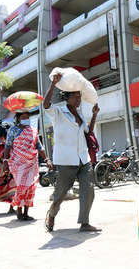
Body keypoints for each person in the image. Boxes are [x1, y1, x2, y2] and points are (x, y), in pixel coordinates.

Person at [43, 74, 101, 232]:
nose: (78, 99)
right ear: (67, 98)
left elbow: (87, 131)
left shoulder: (80, 114)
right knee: (60, 193)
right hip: (65, 160)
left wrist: (94, 114)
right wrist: (53, 84)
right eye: (75, 96)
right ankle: (52, 215)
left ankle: (84, 222)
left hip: (83, 158)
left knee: (88, 190)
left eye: (79, 96)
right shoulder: (58, 112)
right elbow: (46, 105)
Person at [3, 112, 51, 221]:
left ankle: (26, 213)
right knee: (21, 187)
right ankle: (19, 211)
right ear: (18, 118)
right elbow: (8, 146)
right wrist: (5, 162)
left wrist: (47, 159)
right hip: (18, 163)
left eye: (28, 117)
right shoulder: (13, 130)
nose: (26, 119)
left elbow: (39, 146)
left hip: (31, 164)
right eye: (24, 117)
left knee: (31, 188)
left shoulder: (33, 130)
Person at [0, 130, 16, 215]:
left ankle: (11, 208)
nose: (2, 139)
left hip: (11, 172)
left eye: (3, 138)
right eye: (1, 138)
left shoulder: (13, 147)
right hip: (0, 173)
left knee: (12, 190)